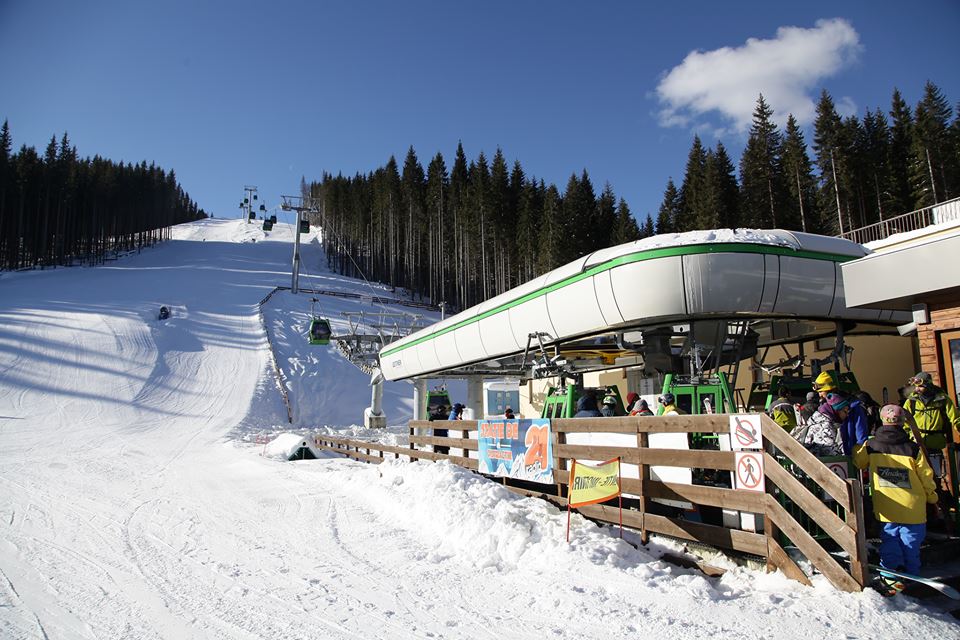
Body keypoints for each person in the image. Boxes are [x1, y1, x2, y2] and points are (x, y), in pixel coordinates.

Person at [854, 404, 938, 596]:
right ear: (902, 423)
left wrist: (857, 446)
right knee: (911, 544)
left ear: (882, 421)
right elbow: (926, 475)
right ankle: (912, 581)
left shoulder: (872, 446)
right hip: (913, 507)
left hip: (886, 506)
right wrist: (931, 497)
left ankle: (891, 578)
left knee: (890, 541)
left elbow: (859, 462)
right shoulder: (912, 448)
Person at [902, 372, 960, 479]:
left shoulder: (942, 400)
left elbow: (956, 419)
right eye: (916, 386)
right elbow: (904, 422)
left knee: (935, 476)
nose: (917, 389)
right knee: (918, 477)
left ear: (928, 385)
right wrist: (906, 439)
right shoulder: (911, 401)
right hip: (916, 444)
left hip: (935, 443)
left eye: (921, 386)